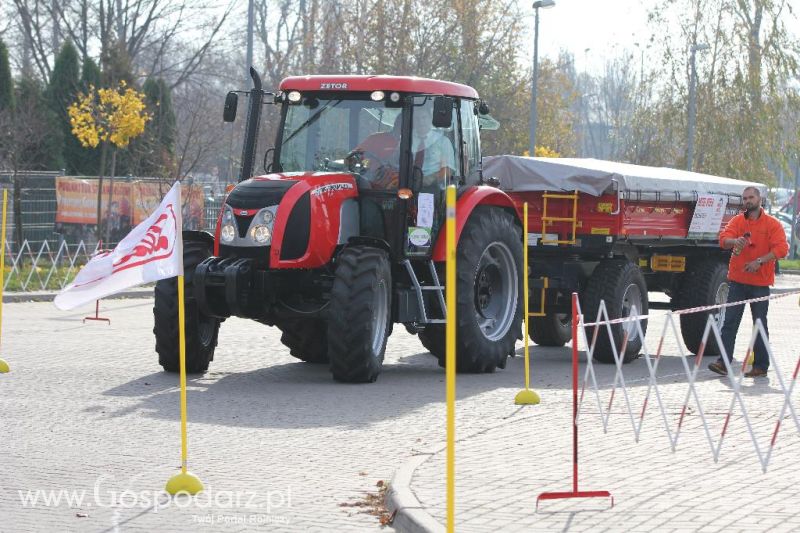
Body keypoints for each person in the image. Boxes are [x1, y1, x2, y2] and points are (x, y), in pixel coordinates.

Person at [708, 186, 789, 378]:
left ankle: (760, 365)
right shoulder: (737, 221)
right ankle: (723, 362)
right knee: (729, 322)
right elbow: (722, 239)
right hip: (737, 281)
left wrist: (759, 261)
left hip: (760, 284)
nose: (747, 201)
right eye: (744, 198)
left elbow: (782, 249)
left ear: (759, 199)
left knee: (759, 324)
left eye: (751, 197)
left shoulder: (772, 224)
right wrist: (734, 241)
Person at [410, 104, 457, 190]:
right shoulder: (406, 140)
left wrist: (430, 178)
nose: (421, 122)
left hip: (434, 187)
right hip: (408, 184)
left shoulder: (442, 141)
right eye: (417, 119)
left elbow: (449, 169)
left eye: (424, 118)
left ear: (430, 119)